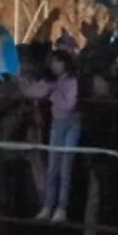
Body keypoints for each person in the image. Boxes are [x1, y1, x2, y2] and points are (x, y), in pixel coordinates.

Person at [23, 48, 80, 222]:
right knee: (53, 166)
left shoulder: (72, 81)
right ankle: (48, 205)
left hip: (72, 125)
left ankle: (61, 207)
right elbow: (33, 91)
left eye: (58, 61)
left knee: (65, 166)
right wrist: (23, 83)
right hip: (57, 125)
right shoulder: (51, 82)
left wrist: (53, 94)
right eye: (53, 62)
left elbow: (69, 104)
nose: (55, 65)